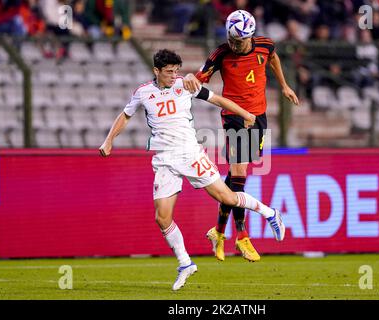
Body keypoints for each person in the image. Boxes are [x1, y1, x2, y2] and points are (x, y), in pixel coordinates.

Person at [99, 49, 285, 291]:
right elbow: (124, 115)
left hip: (190, 153)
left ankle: (270, 213)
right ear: (156, 71)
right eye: (168, 72)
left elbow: (217, 99)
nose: (173, 75)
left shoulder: (185, 85)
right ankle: (185, 264)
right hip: (164, 159)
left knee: (226, 197)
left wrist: (245, 113)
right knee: (162, 218)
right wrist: (109, 140)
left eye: (176, 70)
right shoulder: (143, 93)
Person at [183, 10, 299, 262]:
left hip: (258, 116)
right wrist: (192, 77)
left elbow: (274, 59)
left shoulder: (265, 46)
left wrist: (285, 86)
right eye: (232, 40)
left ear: (250, 36)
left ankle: (218, 231)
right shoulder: (221, 53)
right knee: (239, 176)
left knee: (235, 179)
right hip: (234, 116)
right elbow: (200, 76)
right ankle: (242, 236)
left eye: (240, 41)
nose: (235, 45)